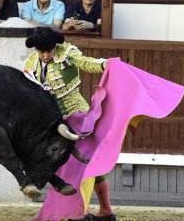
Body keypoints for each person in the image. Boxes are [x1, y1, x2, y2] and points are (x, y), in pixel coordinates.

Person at [23, 27, 115, 221]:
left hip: (77, 114)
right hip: (52, 121)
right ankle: (70, 212)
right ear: (36, 50)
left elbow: (85, 62)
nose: (46, 55)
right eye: (42, 52)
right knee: (58, 165)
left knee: (85, 162)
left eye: (49, 50)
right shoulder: (30, 63)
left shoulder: (67, 52)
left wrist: (104, 64)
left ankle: (104, 210)